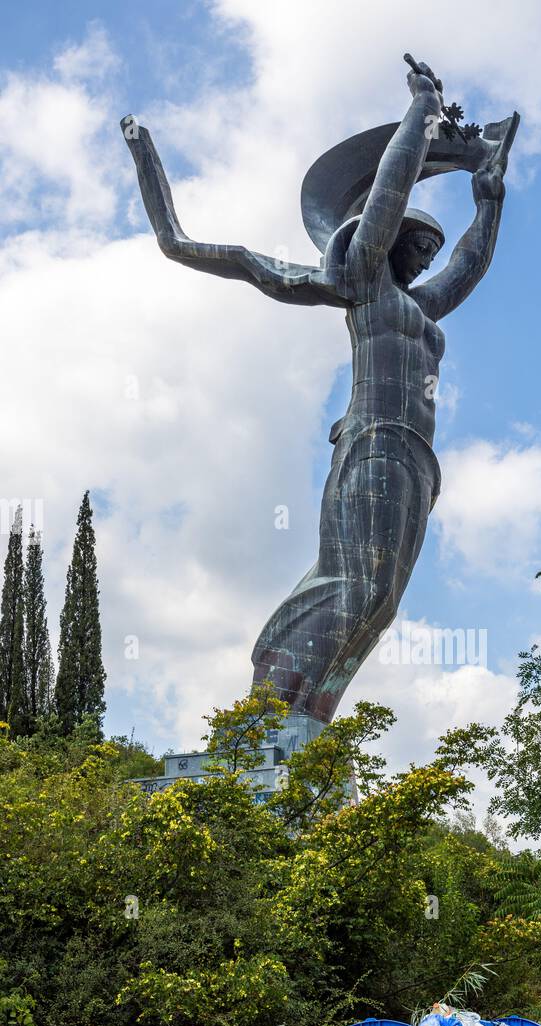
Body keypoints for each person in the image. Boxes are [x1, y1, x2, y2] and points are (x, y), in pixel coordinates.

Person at [122, 59, 513, 722]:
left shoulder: (421, 310)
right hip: (374, 440)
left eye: (427, 248)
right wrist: (421, 111)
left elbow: (468, 265)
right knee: (356, 584)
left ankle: (302, 722)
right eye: (415, 243)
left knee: (380, 600)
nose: (423, 257)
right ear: (384, 241)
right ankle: (268, 710)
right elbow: (386, 193)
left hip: (417, 455)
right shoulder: (364, 283)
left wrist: (489, 199)